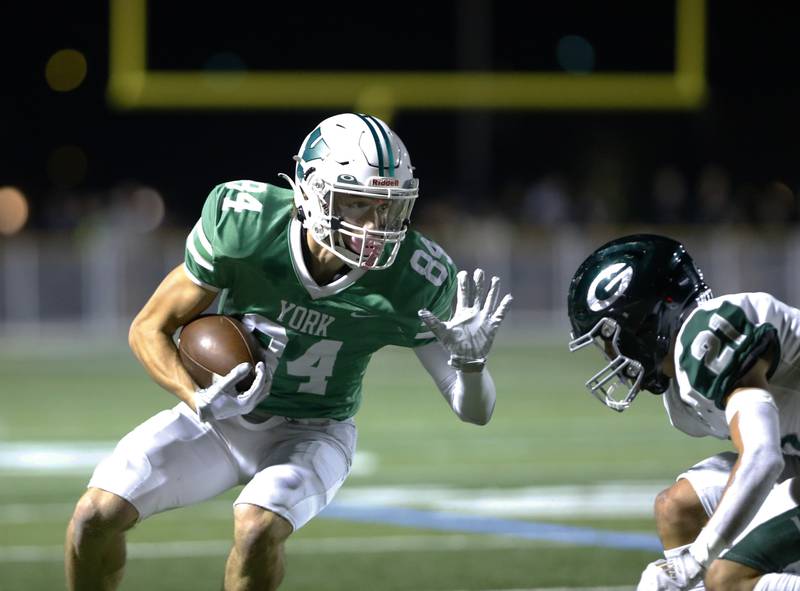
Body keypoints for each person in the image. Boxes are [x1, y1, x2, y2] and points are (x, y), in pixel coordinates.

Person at [64, 113, 512, 591]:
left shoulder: (411, 276)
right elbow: (148, 328)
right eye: (357, 204)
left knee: (257, 528)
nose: (374, 226)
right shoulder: (247, 226)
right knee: (94, 516)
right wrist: (196, 398)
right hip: (218, 421)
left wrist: (470, 364)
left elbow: (474, 411)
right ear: (313, 193)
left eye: (387, 208)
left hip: (313, 433)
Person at [566, 234, 800, 590]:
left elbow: (763, 459)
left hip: (782, 458)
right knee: (676, 508)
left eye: (608, 339)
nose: (611, 358)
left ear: (640, 322)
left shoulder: (707, 336)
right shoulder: (681, 394)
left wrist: (696, 562)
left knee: (728, 578)